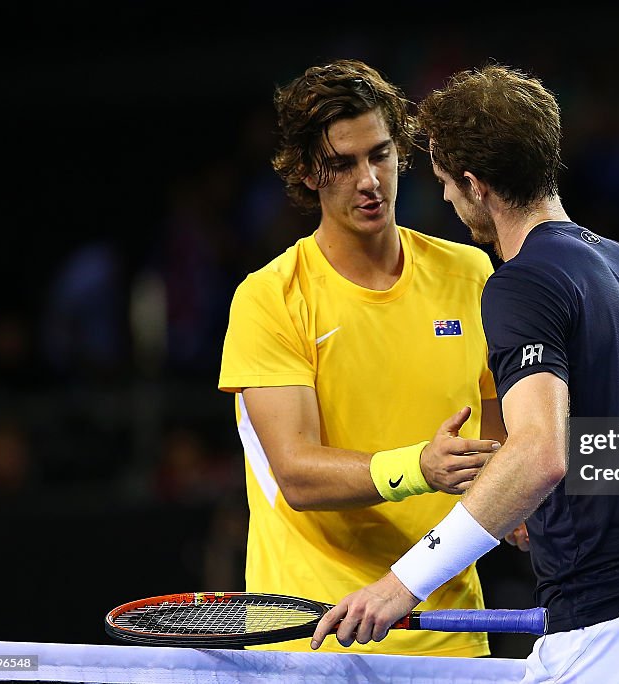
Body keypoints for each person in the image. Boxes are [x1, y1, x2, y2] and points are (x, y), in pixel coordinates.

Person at [312, 64, 619, 683]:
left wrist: (402, 585)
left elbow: (540, 453)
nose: (450, 202)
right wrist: (560, 510)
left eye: (447, 185)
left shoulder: (520, 284)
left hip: (616, 626)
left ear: (475, 184)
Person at [218, 59, 504, 657]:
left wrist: (527, 510)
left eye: (379, 154)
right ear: (306, 174)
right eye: (342, 164)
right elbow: (296, 473)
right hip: (311, 640)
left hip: (448, 642)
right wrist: (419, 469)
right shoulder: (270, 298)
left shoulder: (471, 273)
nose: (369, 180)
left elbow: (500, 448)